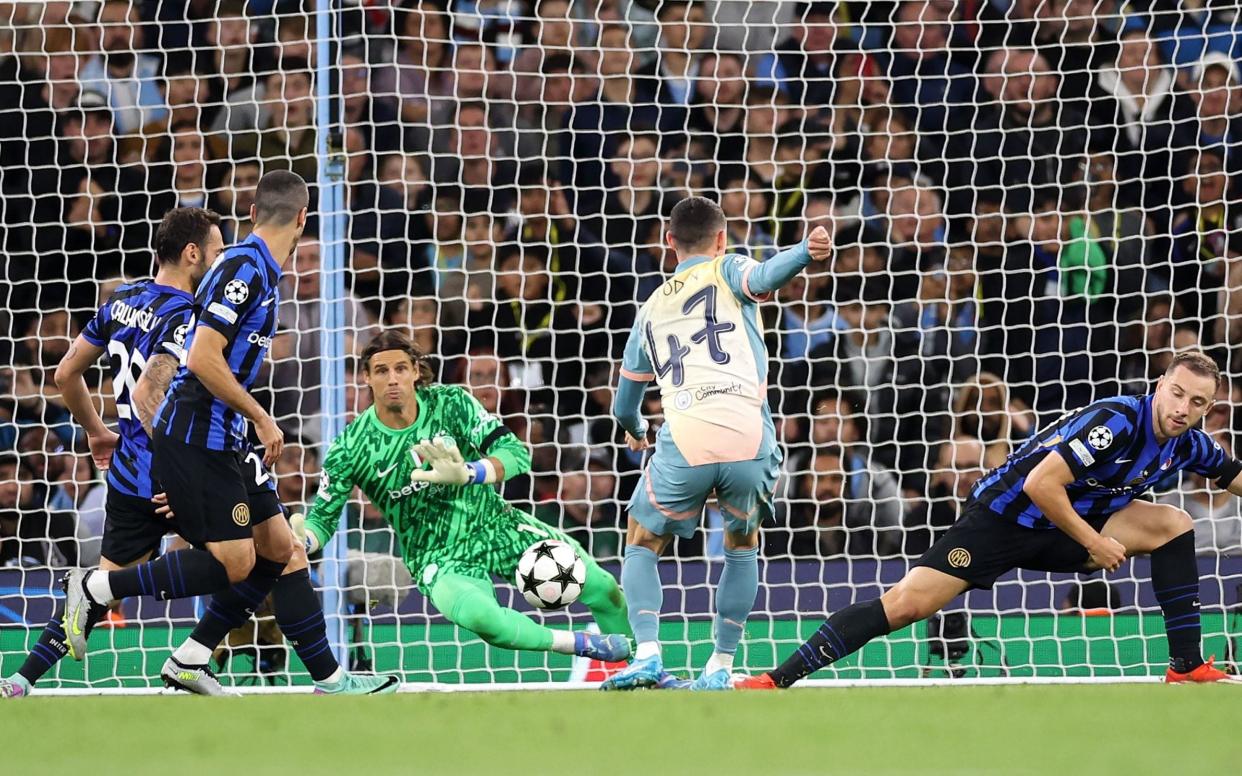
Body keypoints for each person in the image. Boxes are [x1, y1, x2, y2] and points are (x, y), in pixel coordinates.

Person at [58, 175, 397, 696]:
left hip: (225, 433)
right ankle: (97, 586)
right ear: (304, 219)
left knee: (284, 549)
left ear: (254, 209)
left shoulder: (261, 270)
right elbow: (202, 358)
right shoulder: (244, 267)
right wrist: (261, 415)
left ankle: (315, 676)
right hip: (200, 431)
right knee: (236, 564)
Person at [738, 352, 1242, 688]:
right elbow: (1040, 485)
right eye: (1177, 393)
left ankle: (1185, 665)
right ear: (1160, 385)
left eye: (1197, 402)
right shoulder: (1117, 422)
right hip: (1003, 523)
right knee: (907, 605)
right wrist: (1098, 543)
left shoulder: (1191, 444)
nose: (1183, 408)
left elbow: (1234, 475)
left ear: (1207, 408)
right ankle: (777, 677)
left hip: (1068, 531)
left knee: (1174, 523)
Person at [289, 330, 633, 665]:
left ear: (415, 371)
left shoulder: (450, 403)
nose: (392, 379)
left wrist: (471, 472)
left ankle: (641, 668)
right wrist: (303, 539)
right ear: (366, 377)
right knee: (487, 622)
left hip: (496, 524)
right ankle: (583, 644)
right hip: (437, 556)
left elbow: (515, 453)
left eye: (400, 369)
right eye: (381, 371)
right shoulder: (350, 447)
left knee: (605, 588)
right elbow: (323, 518)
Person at [603, 196, 832, 690]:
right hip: (748, 436)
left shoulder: (649, 309)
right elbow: (767, 276)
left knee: (641, 540)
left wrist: (640, 432)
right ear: (722, 238)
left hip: (686, 437)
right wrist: (804, 251)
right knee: (742, 545)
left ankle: (646, 654)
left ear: (669, 242)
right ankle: (721, 666)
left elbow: (624, 407)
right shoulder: (727, 270)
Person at [0, 207, 221, 699]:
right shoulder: (187, 315)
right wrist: (173, 479)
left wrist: (97, 431)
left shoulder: (122, 300)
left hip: (124, 474)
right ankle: (191, 660)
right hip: (168, 474)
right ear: (192, 254)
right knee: (250, 557)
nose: (220, 258)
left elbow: (64, 375)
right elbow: (150, 397)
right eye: (217, 249)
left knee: (102, 591)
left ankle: (19, 681)